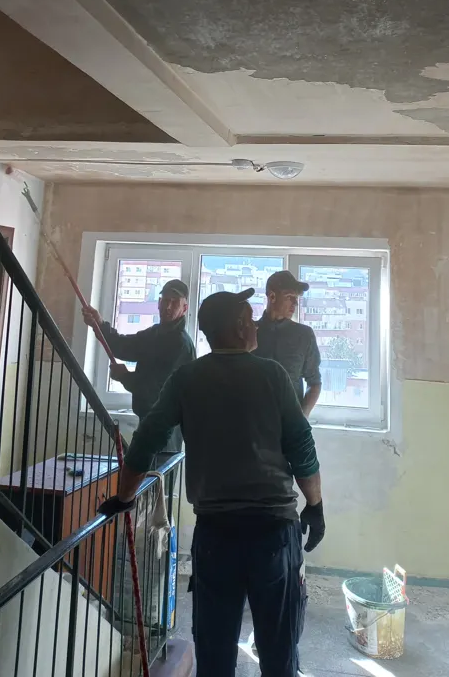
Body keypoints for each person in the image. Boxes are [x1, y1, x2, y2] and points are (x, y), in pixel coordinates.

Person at [98, 287, 325, 677]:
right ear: (238, 327)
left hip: (216, 536)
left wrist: (124, 497)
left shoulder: (188, 378)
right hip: (273, 532)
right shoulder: (272, 375)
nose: (255, 325)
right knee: (279, 653)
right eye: (249, 319)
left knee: (215, 655)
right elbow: (301, 447)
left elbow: (146, 439)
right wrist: (316, 507)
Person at [82, 278, 195, 451]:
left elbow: (156, 388)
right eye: (165, 300)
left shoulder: (180, 344)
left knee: (157, 467)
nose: (168, 307)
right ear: (158, 303)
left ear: (184, 308)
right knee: (145, 467)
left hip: (167, 427)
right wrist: (100, 324)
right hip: (150, 419)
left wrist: (125, 376)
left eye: (174, 303)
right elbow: (123, 346)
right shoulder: (154, 334)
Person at [254, 271, 322, 418]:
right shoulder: (250, 332)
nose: (295, 304)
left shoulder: (304, 335)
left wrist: (301, 418)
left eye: (296, 298)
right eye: (290, 297)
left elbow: (314, 382)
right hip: (252, 422)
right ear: (272, 297)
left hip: (288, 422)